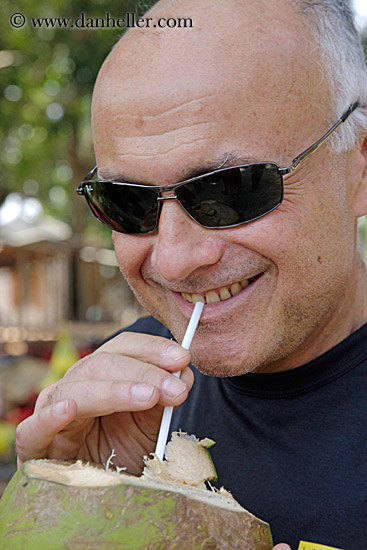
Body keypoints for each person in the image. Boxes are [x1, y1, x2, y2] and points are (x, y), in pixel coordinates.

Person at [16, 0, 367, 548]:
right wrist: (56, 519)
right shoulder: (121, 395)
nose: (175, 260)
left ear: (360, 163)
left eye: (231, 189)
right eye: (126, 202)